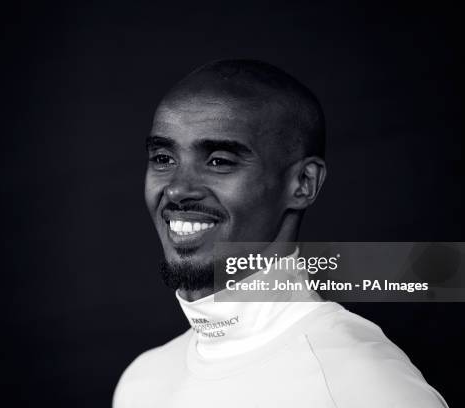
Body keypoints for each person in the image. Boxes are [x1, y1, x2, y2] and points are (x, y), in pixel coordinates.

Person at [113, 60, 448, 407]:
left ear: (303, 183)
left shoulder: (365, 386)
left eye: (220, 161)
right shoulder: (142, 381)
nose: (177, 190)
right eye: (164, 158)